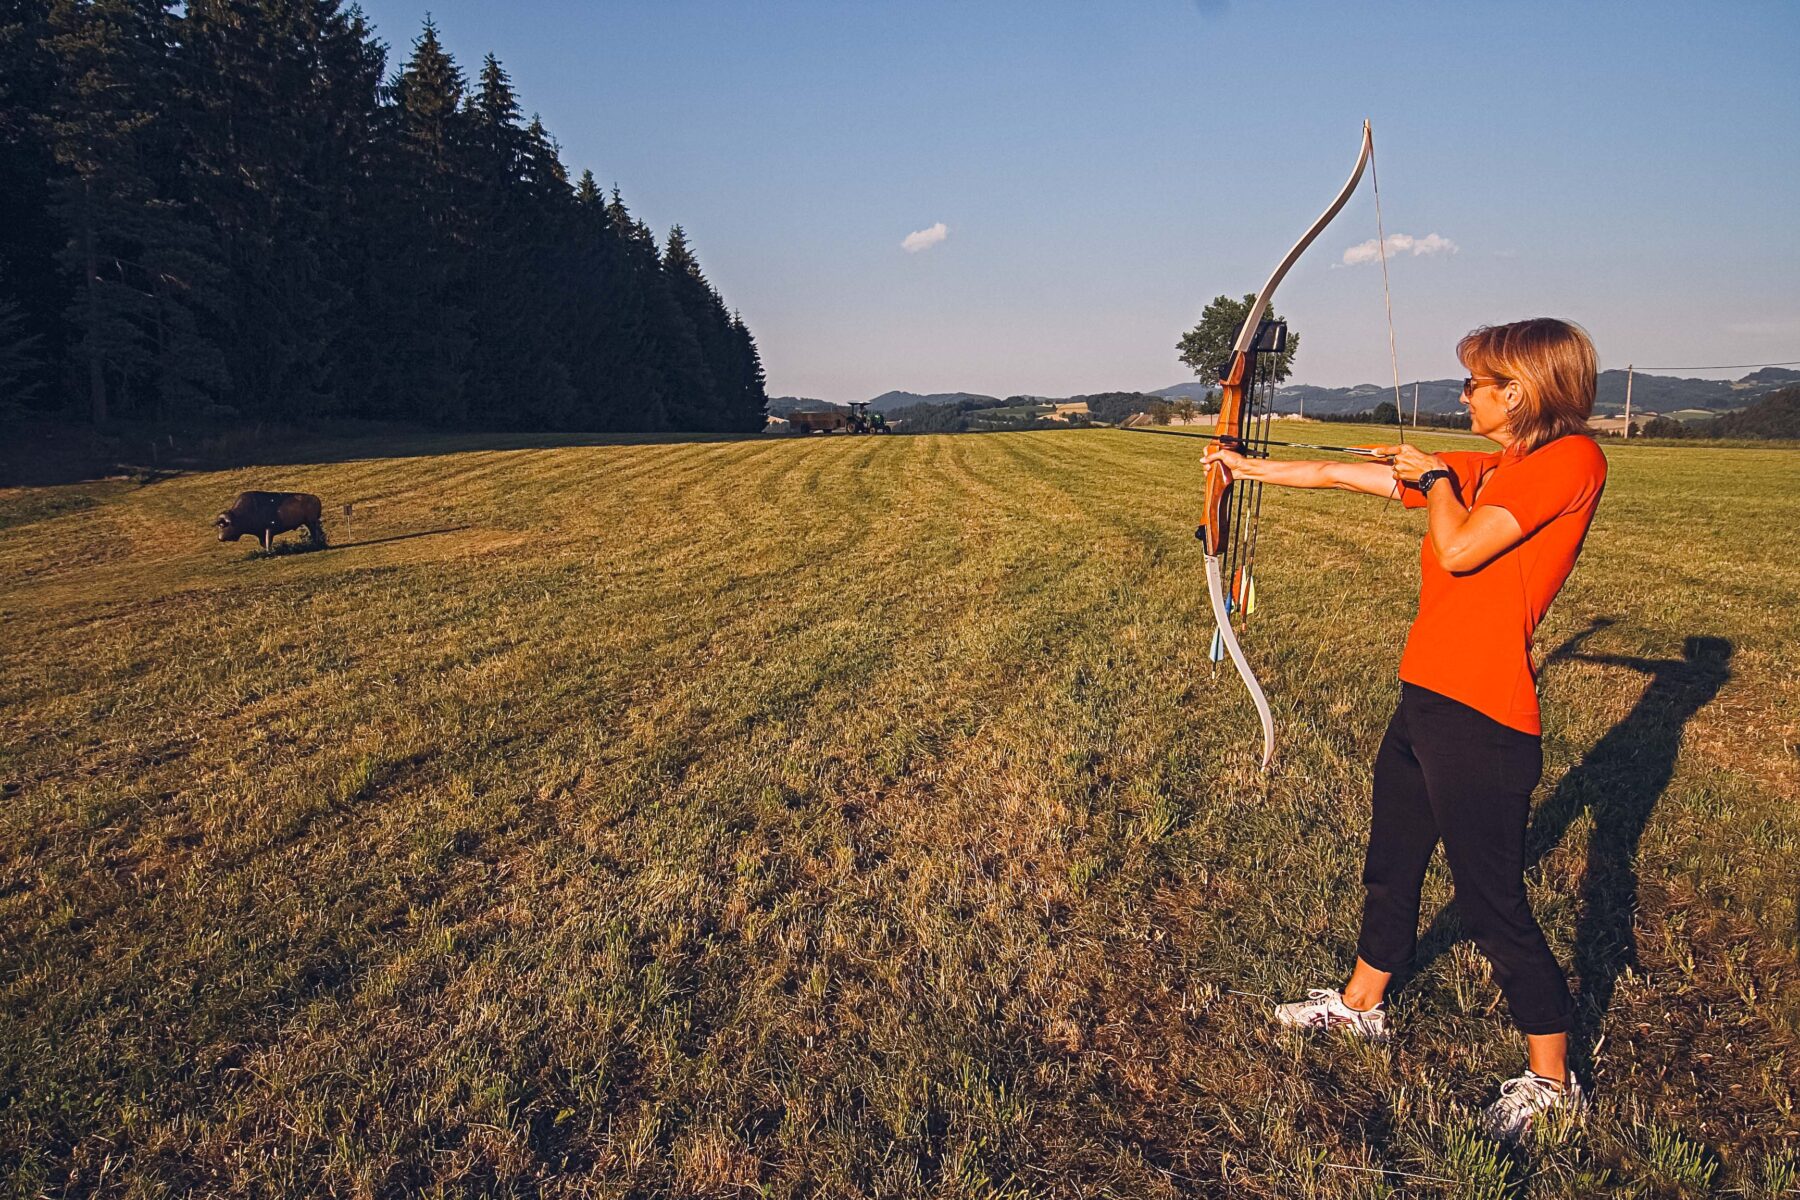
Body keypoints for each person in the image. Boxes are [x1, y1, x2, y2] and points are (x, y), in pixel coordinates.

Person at [1204, 317, 1607, 1142]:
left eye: (1475, 383)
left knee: (1491, 902)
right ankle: (1361, 1006)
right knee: (1391, 862)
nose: (1464, 395)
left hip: (1486, 718)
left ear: (1520, 392)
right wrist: (1250, 468)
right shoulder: (1500, 464)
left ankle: (1553, 1076)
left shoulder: (1570, 462)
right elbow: (1354, 476)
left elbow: (1460, 550)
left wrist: (1438, 484)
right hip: (1425, 697)